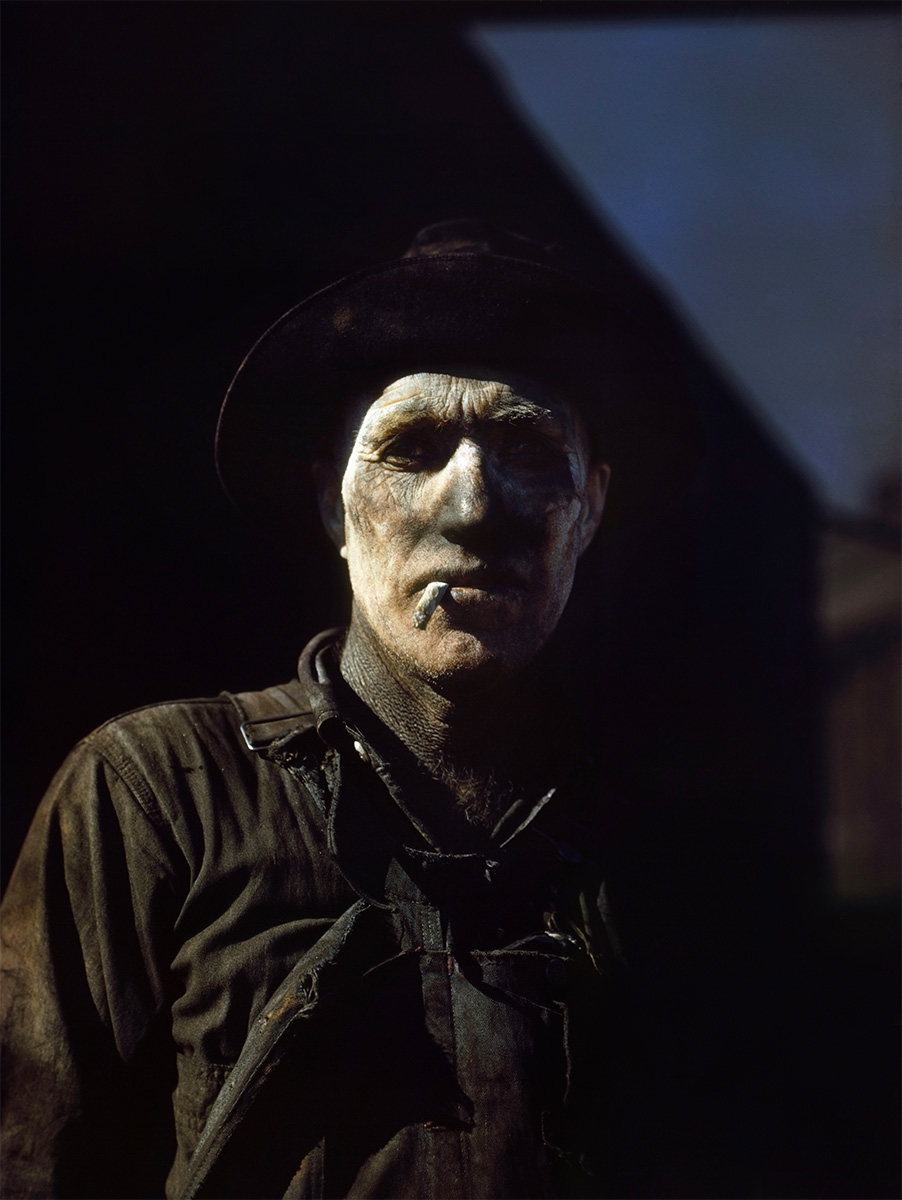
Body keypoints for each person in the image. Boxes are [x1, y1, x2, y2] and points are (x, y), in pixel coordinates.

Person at [0, 220, 701, 1199]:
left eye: (528, 449)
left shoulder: (665, 841)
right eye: (411, 448)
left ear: (585, 509)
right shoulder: (156, 790)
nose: (472, 508)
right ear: (334, 508)